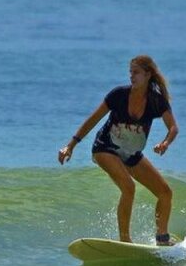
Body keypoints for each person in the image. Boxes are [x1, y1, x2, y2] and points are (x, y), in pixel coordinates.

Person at [58, 55, 179, 246]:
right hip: (105, 147)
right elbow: (93, 119)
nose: (132, 76)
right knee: (128, 188)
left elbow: (173, 128)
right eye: (130, 72)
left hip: (131, 154)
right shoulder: (118, 95)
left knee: (165, 193)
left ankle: (162, 238)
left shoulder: (157, 101)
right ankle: (125, 240)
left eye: (136, 72)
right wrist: (71, 145)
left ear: (148, 75)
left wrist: (165, 143)